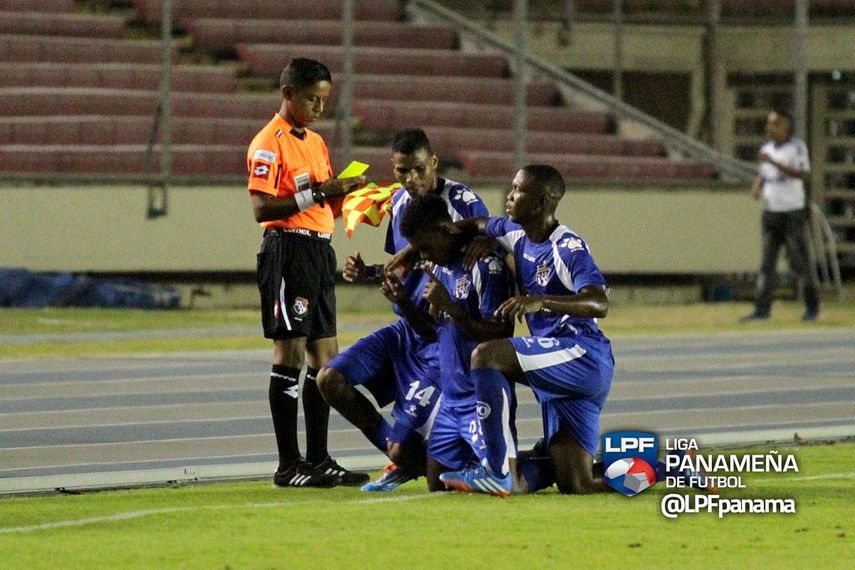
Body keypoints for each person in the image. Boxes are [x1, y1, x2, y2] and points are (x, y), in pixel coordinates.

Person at [316, 128, 489, 492]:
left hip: (441, 339)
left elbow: (485, 244)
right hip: (406, 327)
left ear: (434, 163)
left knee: (432, 473)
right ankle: (403, 457)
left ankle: (412, 455)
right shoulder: (398, 203)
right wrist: (372, 273)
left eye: (419, 169)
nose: (411, 180)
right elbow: (408, 264)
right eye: (402, 171)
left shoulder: (462, 202)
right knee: (329, 380)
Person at [434, 164, 615, 496]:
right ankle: (672, 468)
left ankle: (498, 468)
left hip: (582, 355)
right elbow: (476, 223)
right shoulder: (514, 234)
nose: (509, 196)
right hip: (561, 372)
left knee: (487, 356)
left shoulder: (567, 247)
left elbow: (598, 302)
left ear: (542, 201)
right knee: (577, 483)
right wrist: (464, 238)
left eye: (518, 190)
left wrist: (541, 301)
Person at [246, 57, 368, 488]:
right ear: (288, 94)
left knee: (326, 360)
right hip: (288, 251)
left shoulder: (315, 143)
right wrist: (321, 191)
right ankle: (288, 465)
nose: (319, 108)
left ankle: (318, 459)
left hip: (319, 251)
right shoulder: (268, 142)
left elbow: (324, 202)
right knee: (291, 354)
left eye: (324, 101)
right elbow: (261, 208)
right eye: (313, 99)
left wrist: (352, 199)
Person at [398, 194, 516, 491]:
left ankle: (547, 463)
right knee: (437, 485)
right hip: (450, 402)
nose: (422, 254)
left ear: (445, 229)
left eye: (425, 246)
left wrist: (450, 306)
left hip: (480, 399)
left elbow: (500, 336)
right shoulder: (439, 268)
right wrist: (403, 302)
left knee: (505, 480)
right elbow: (435, 332)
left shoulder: (484, 265)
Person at [742, 109, 819, 322]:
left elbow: (802, 174)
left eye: (774, 124)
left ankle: (812, 307)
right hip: (771, 212)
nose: (769, 128)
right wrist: (757, 186)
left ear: (785, 126)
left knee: (801, 263)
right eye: (768, 124)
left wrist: (774, 163)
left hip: (792, 212)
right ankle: (762, 310)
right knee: (767, 265)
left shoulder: (797, 147)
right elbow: (763, 173)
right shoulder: (766, 149)